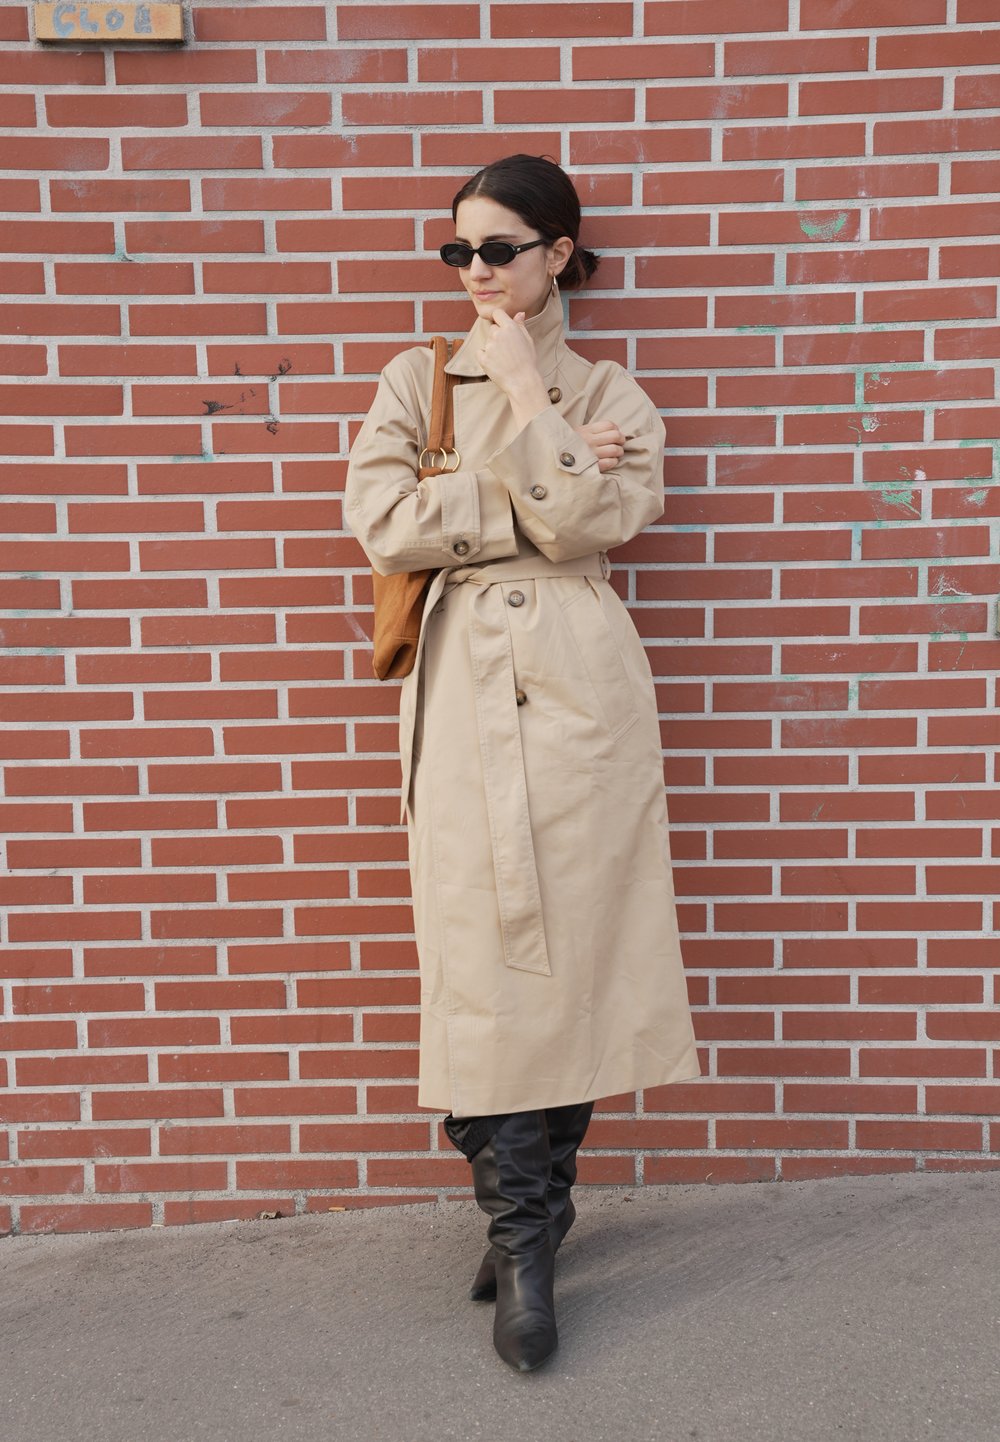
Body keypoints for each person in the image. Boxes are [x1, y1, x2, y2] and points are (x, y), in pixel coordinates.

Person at [344, 154, 701, 1373]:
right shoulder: (412, 379)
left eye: (499, 249)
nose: (475, 272)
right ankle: (525, 1226)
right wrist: (532, 469)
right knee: (481, 961)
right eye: (458, 251)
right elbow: (381, 522)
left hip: (577, 687)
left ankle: (532, 1231)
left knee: (577, 952)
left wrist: (523, 399)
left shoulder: (611, 391)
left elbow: (597, 522)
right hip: (460, 692)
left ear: (557, 253)